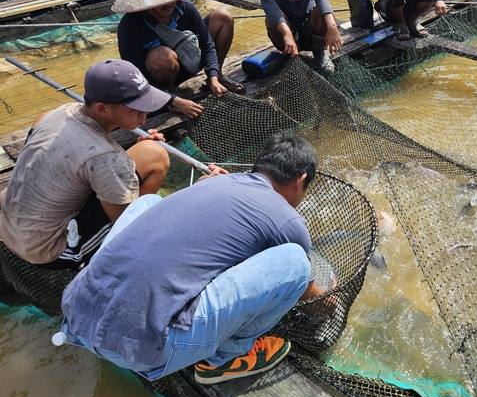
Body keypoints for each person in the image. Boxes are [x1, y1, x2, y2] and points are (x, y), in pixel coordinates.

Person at [59, 133, 332, 384]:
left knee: (147, 203)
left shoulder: (215, 182)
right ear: (300, 180)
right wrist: (326, 301)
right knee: (296, 262)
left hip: (76, 312)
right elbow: (304, 289)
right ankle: (227, 358)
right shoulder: (289, 221)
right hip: (140, 351)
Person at [0, 59, 171, 270]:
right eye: (137, 109)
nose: (145, 117)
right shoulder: (107, 158)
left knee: (147, 153)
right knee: (157, 158)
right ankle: (114, 259)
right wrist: (124, 170)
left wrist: (123, 165)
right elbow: (124, 220)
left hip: (8, 223)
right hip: (47, 249)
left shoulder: (58, 113)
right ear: (102, 108)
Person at [115, 0, 242, 119]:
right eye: (162, 2)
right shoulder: (129, 26)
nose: (169, 5)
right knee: (161, 56)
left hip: (192, 57)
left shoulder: (185, 9)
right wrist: (173, 100)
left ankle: (216, 79)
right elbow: (135, 76)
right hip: (163, 76)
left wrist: (213, 76)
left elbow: (208, 45)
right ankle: (171, 94)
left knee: (222, 17)